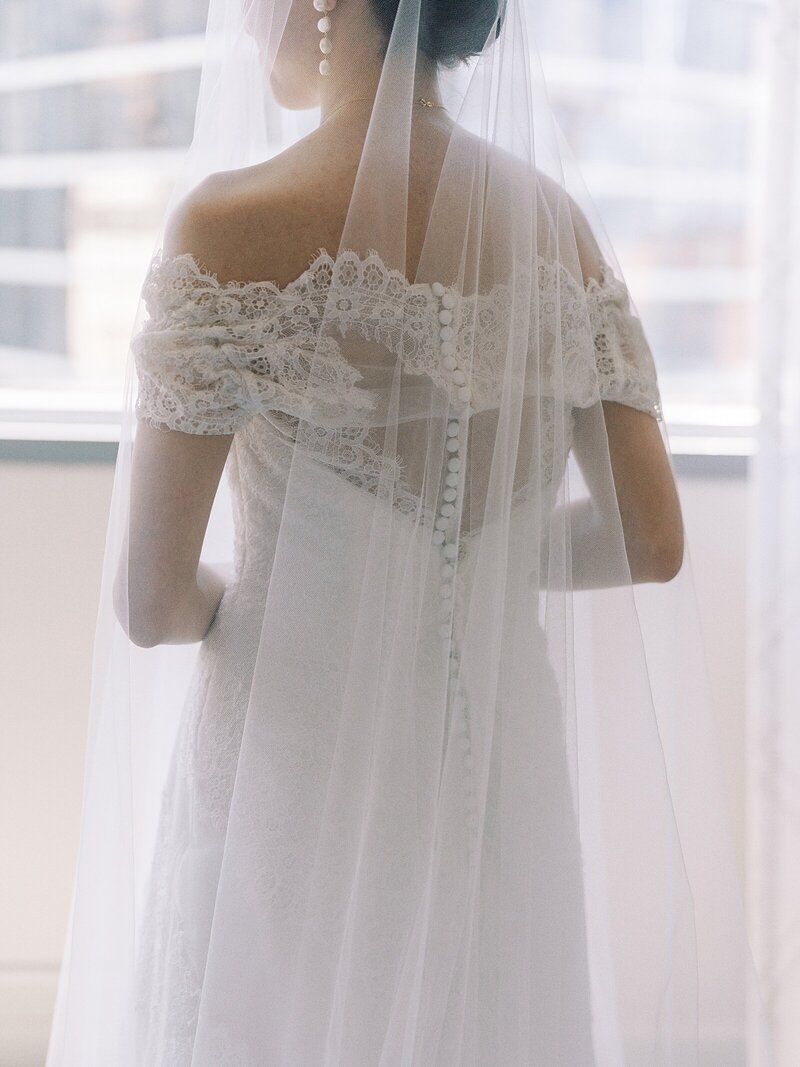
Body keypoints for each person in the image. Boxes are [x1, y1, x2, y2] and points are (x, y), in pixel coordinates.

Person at [45, 0, 776, 1062]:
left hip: (285, 779)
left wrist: (272, 585)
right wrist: (469, 561)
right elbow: (650, 540)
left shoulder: (231, 225)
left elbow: (150, 601)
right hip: (499, 781)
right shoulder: (557, 231)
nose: (248, 23)